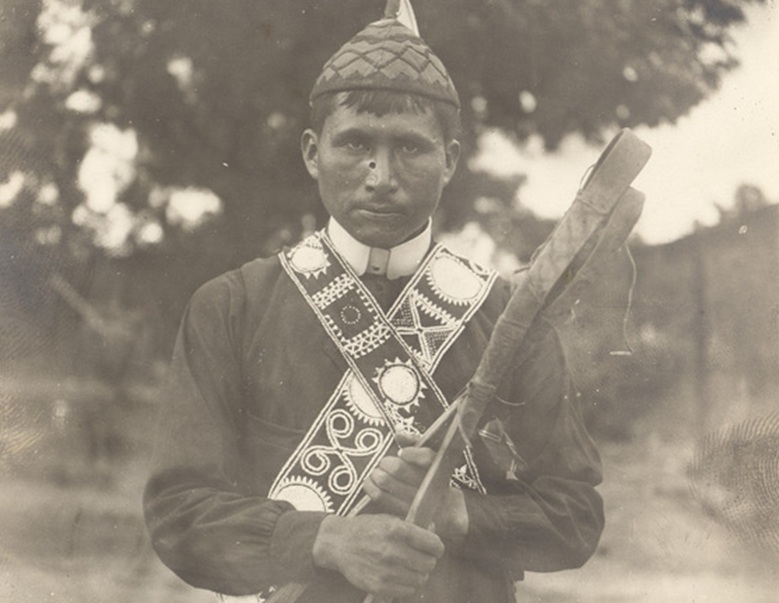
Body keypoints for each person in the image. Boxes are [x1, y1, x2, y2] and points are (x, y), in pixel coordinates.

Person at [143, 2, 604, 602]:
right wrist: (325, 540)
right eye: (355, 143)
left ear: (451, 161)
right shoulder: (232, 307)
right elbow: (179, 512)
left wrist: (462, 514)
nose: (380, 174)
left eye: (410, 148)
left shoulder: (509, 318)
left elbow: (575, 515)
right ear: (312, 152)